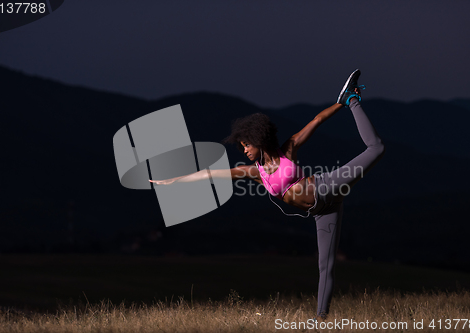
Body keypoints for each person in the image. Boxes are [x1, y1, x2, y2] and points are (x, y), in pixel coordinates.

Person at [150, 69, 385, 319]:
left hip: (325, 186)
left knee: (376, 148)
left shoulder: (288, 149)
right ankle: (321, 319)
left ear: (258, 139)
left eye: (246, 145)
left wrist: (340, 103)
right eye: (242, 147)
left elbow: (317, 120)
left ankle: (351, 100)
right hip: (322, 211)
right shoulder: (255, 172)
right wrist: (175, 180)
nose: (244, 151)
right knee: (325, 266)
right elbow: (213, 174)